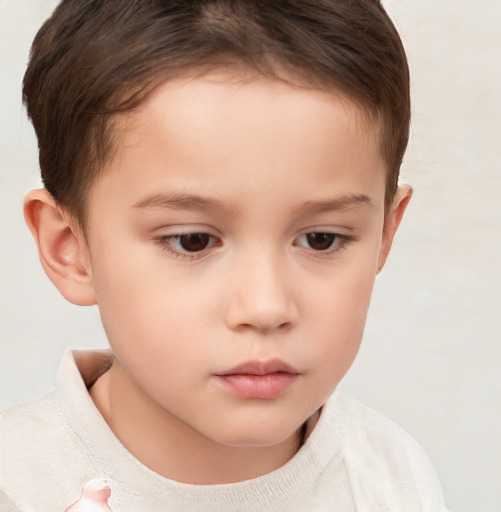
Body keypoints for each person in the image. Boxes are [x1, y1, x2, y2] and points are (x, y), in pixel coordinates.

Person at [0, 1, 448, 510]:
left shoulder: (394, 481)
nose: (265, 307)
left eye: (321, 239)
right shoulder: (14, 485)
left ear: (385, 235)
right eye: (192, 240)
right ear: (70, 249)